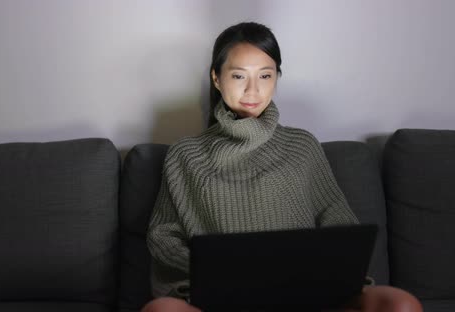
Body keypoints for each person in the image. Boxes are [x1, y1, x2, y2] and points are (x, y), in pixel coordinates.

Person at [142, 22, 423, 312]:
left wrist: (326, 270)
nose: (253, 89)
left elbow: (338, 219)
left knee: (401, 304)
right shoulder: (185, 154)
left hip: (306, 288)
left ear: (277, 77)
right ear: (216, 78)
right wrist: (214, 268)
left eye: (265, 75)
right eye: (239, 76)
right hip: (222, 293)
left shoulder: (301, 145)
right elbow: (163, 234)